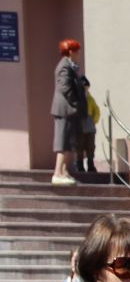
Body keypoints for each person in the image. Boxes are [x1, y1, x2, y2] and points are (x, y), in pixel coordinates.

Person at [51, 39, 87, 187]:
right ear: (71, 51)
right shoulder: (64, 67)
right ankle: (57, 173)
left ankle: (64, 171)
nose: (79, 53)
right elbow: (65, 88)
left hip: (70, 111)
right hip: (65, 110)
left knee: (70, 142)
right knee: (63, 141)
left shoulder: (71, 66)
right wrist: (76, 103)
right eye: (77, 50)